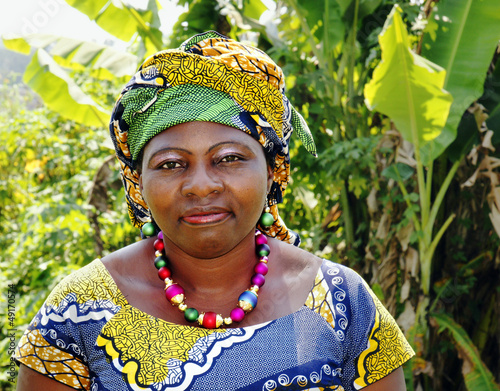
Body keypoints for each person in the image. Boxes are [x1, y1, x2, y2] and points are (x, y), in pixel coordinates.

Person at [14, 31, 414, 391]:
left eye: (229, 158)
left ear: (272, 170)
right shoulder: (77, 313)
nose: (201, 185)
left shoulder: (342, 301)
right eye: (171, 164)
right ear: (138, 182)